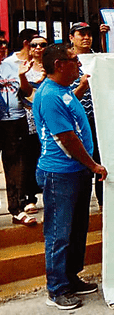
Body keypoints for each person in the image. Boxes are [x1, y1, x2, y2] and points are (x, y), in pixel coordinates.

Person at [34, 43, 108, 310]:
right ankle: (56, 289)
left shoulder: (63, 90)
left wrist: (81, 88)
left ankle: (71, 277)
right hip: (60, 174)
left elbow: (70, 111)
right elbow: (66, 139)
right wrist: (93, 165)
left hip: (75, 172)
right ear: (59, 65)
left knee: (77, 229)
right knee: (59, 232)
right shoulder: (49, 95)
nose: (78, 64)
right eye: (74, 60)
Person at [1, 28, 38, 226]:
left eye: (4, 44)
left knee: (15, 164)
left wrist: (23, 76)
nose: (2, 47)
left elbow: (25, 92)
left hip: (13, 121)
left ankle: (16, 209)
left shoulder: (10, 66)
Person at [68, 22, 104, 209]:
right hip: (77, 119)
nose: (86, 37)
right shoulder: (66, 61)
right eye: (81, 34)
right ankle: (80, 203)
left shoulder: (99, 60)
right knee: (81, 161)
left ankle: (103, 201)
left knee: (100, 158)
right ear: (71, 37)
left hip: (99, 118)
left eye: (89, 34)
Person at [18, 35, 49, 214]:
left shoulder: (53, 66)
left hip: (49, 119)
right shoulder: (24, 68)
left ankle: (48, 194)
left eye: (42, 45)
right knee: (30, 158)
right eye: (34, 45)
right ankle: (30, 198)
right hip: (30, 119)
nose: (38, 48)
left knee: (46, 156)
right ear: (29, 48)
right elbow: (23, 93)